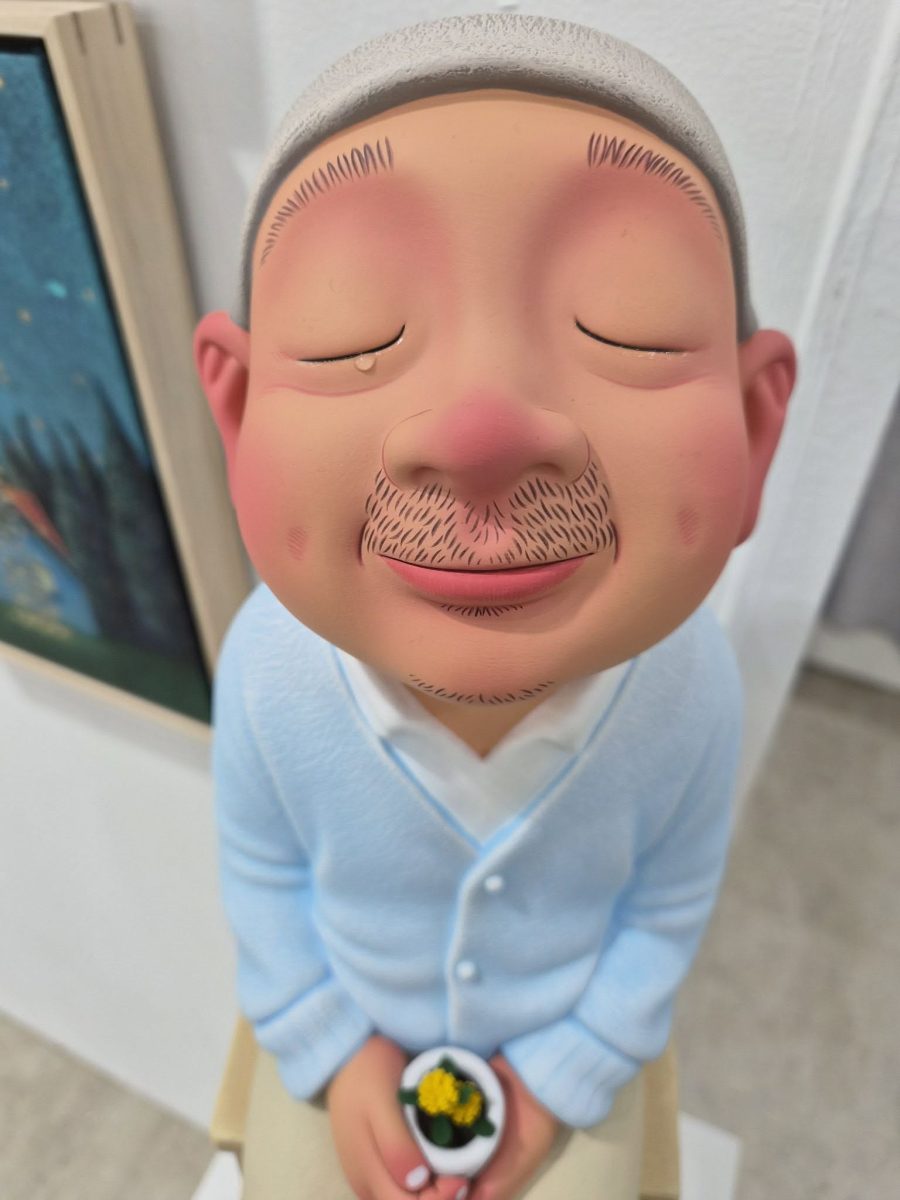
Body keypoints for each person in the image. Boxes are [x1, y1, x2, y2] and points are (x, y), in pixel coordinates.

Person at [194, 13, 796, 1200]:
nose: (479, 426)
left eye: (626, 318)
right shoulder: (267, 667)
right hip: (346, 1023)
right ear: (239, 412)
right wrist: (328, 1046)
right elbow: (261, 873)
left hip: (563, 1041)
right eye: (356, 326)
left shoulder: (692, 690)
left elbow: (666, 907)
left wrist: (574, 1070)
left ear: (754, 427)